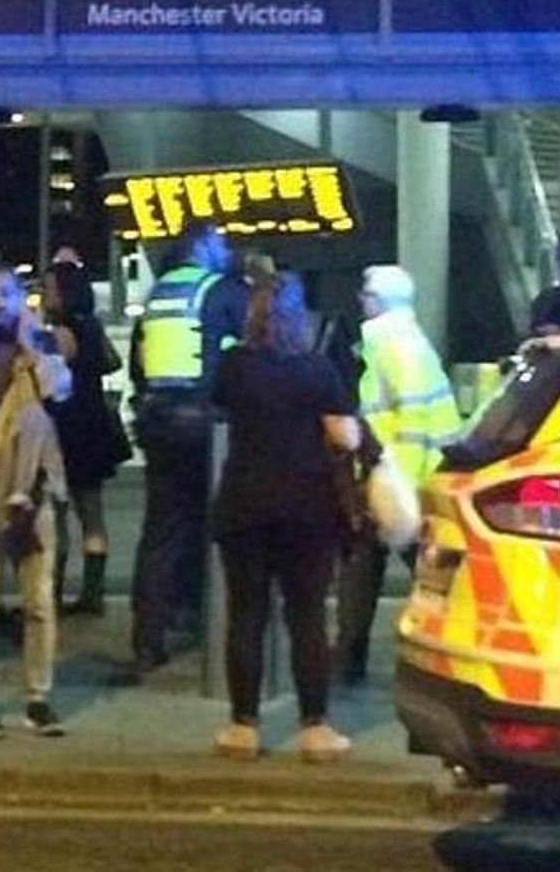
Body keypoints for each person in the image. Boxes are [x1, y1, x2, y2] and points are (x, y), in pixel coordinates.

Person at [211, 272, 362, 762]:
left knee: (246, 615)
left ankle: (243, 727)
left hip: (244, 505)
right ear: (298, 317)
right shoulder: (317, 370)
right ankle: (315, 729)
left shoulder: (236, 366)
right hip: (308, 509)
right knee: (307, 618)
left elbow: (217, 405)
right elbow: (346, 439)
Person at [0, 264, 73, 739]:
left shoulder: (44, 345)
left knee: (39, 596)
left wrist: (29, 341)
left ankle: (38, 696)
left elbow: (58, 394)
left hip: (35, 485)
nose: (0, 302)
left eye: (7, 293)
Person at [126, 222, 248, 671]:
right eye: (219, 242)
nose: (225, 249)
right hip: (208, 429)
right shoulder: (222, 290)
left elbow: (139, 365)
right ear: (202, 246)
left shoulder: (159, 296)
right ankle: (210, 622)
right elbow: (243, 356)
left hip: (159, 422)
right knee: (218, 525)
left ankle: (147, 637)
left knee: (161, 531)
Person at [336, 264, 462, 683]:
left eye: (367, 293)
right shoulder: (401, 341)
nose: (361, 300)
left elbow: (411, 420)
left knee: (377, 564)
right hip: (407, 473)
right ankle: (356, 653)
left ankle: (353, 656)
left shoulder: (393, 346)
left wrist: (397, 489)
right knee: (393, 567)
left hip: (400, 477)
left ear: (383, 301)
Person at [41, 260, 131, 617]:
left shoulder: (60, 332)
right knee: (93, 515)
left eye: (49, 288)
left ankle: (55, 592)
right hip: (94, 426)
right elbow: (111, 363)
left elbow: (50, 375)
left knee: (58, 513)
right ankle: (93, 593)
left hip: (67, 427)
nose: (44, 294)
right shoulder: (91, 327)